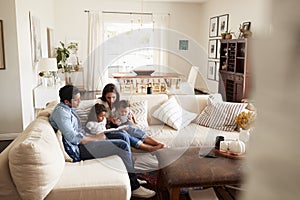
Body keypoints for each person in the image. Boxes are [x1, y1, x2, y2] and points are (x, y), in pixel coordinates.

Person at [49, 85, 155, 198]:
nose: (79, 101)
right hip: (79, 150)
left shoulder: (67, 108)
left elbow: (78, 132)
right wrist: (95, 138)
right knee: (122, 145)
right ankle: (134, 187)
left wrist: (94, 135)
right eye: (76, 99)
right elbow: (73, 138)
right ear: (66, 101)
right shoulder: (61, 113)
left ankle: (131, 176)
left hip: (86, 139)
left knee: (122, 134)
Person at [86, 102, 164, 152]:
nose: (103, 118)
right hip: (102, 137)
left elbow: (105, 122)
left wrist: (110, 121)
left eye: (104, 116)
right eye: (101, 116)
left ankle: (153, 144)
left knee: (128, 132)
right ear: (95, 116)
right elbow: (87, 134)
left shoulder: (103, 120)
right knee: (125, 133)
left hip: (109, 132)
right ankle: (148, 148)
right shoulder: (90, 124)